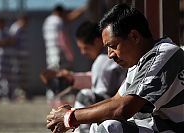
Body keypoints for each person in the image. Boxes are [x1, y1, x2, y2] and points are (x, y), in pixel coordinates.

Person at [46, 4, 184, 133]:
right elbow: (116, 99)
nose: (110, 54)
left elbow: (123, 108)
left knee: (109, 128)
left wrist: (70, 117)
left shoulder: (164, 53)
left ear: (134, 36)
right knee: (98, 123)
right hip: (156, 126)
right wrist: (73, 113)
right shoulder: (139, 60)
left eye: (113, 45)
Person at [42, 21, 127, 132]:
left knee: (85, 96)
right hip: (121, 108)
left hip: (118, 112)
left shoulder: (103, 61)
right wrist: (71, 78)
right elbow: (95, 78)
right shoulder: (105, 60)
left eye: (85, 48)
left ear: (97, 42)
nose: (83, 52)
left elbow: (101, 96)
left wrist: (72, 115)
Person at [9, 14, 29, 99]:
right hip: (16, 56)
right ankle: (15, 94)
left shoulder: (22, 28)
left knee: (22, 75)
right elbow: (12, 41)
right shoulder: (15, 28)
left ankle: (21, 94)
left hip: (22, 56)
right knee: (16, 74)